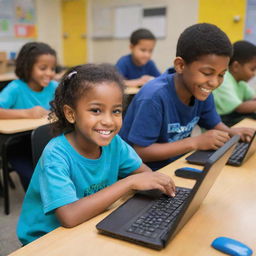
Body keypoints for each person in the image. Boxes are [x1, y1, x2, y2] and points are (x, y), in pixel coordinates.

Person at [17, 64, 176, 245]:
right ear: (71, 114)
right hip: (47, 240)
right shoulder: (56, 155)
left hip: (92, 223)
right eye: (95, 110)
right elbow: (69, 216)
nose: (108, 121)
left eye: (116, 111)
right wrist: (129, 183)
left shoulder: (114, 144)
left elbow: (147, 178)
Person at [119, 23, 255, 171]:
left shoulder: (201, 90)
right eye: (207, 73)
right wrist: (195, 142)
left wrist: (230, 132)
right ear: (181, 65)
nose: (214, 82)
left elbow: (213, 123)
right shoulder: (153, 97)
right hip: (143, 174)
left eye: (221, 74)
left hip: (174, 166)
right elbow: (140, 152)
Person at [0, 41, 58, 190]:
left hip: (45, 141)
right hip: (17, 144)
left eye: (52, 68)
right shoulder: (16, 87)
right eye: (42, 68)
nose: (49, 73)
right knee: (34, 180)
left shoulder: (54, 86)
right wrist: (27, 113)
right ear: (27, 67)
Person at [213, 40, 256, 126]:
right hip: (220, 121)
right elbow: (240, 108)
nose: (254, 73)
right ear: (236, 66)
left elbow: (253, 98)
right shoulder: (224, 79)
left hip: (232, 117)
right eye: (252, 69)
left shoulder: (240, 81)